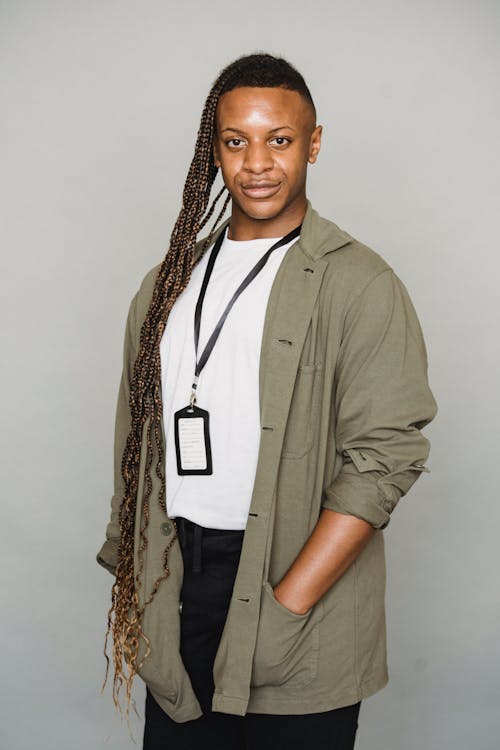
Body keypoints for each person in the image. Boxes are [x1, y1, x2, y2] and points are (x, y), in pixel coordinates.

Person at [96, 53, 438, 750]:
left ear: (313, 144)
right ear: (213, 148)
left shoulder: (362, 284)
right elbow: (137, 437)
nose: (257, 162)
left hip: (295, 584)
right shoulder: (167, 283)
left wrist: (289, 603)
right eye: (235, 141)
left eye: (279, 140)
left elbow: (384, 459)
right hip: (178, 582)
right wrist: (134, 577)